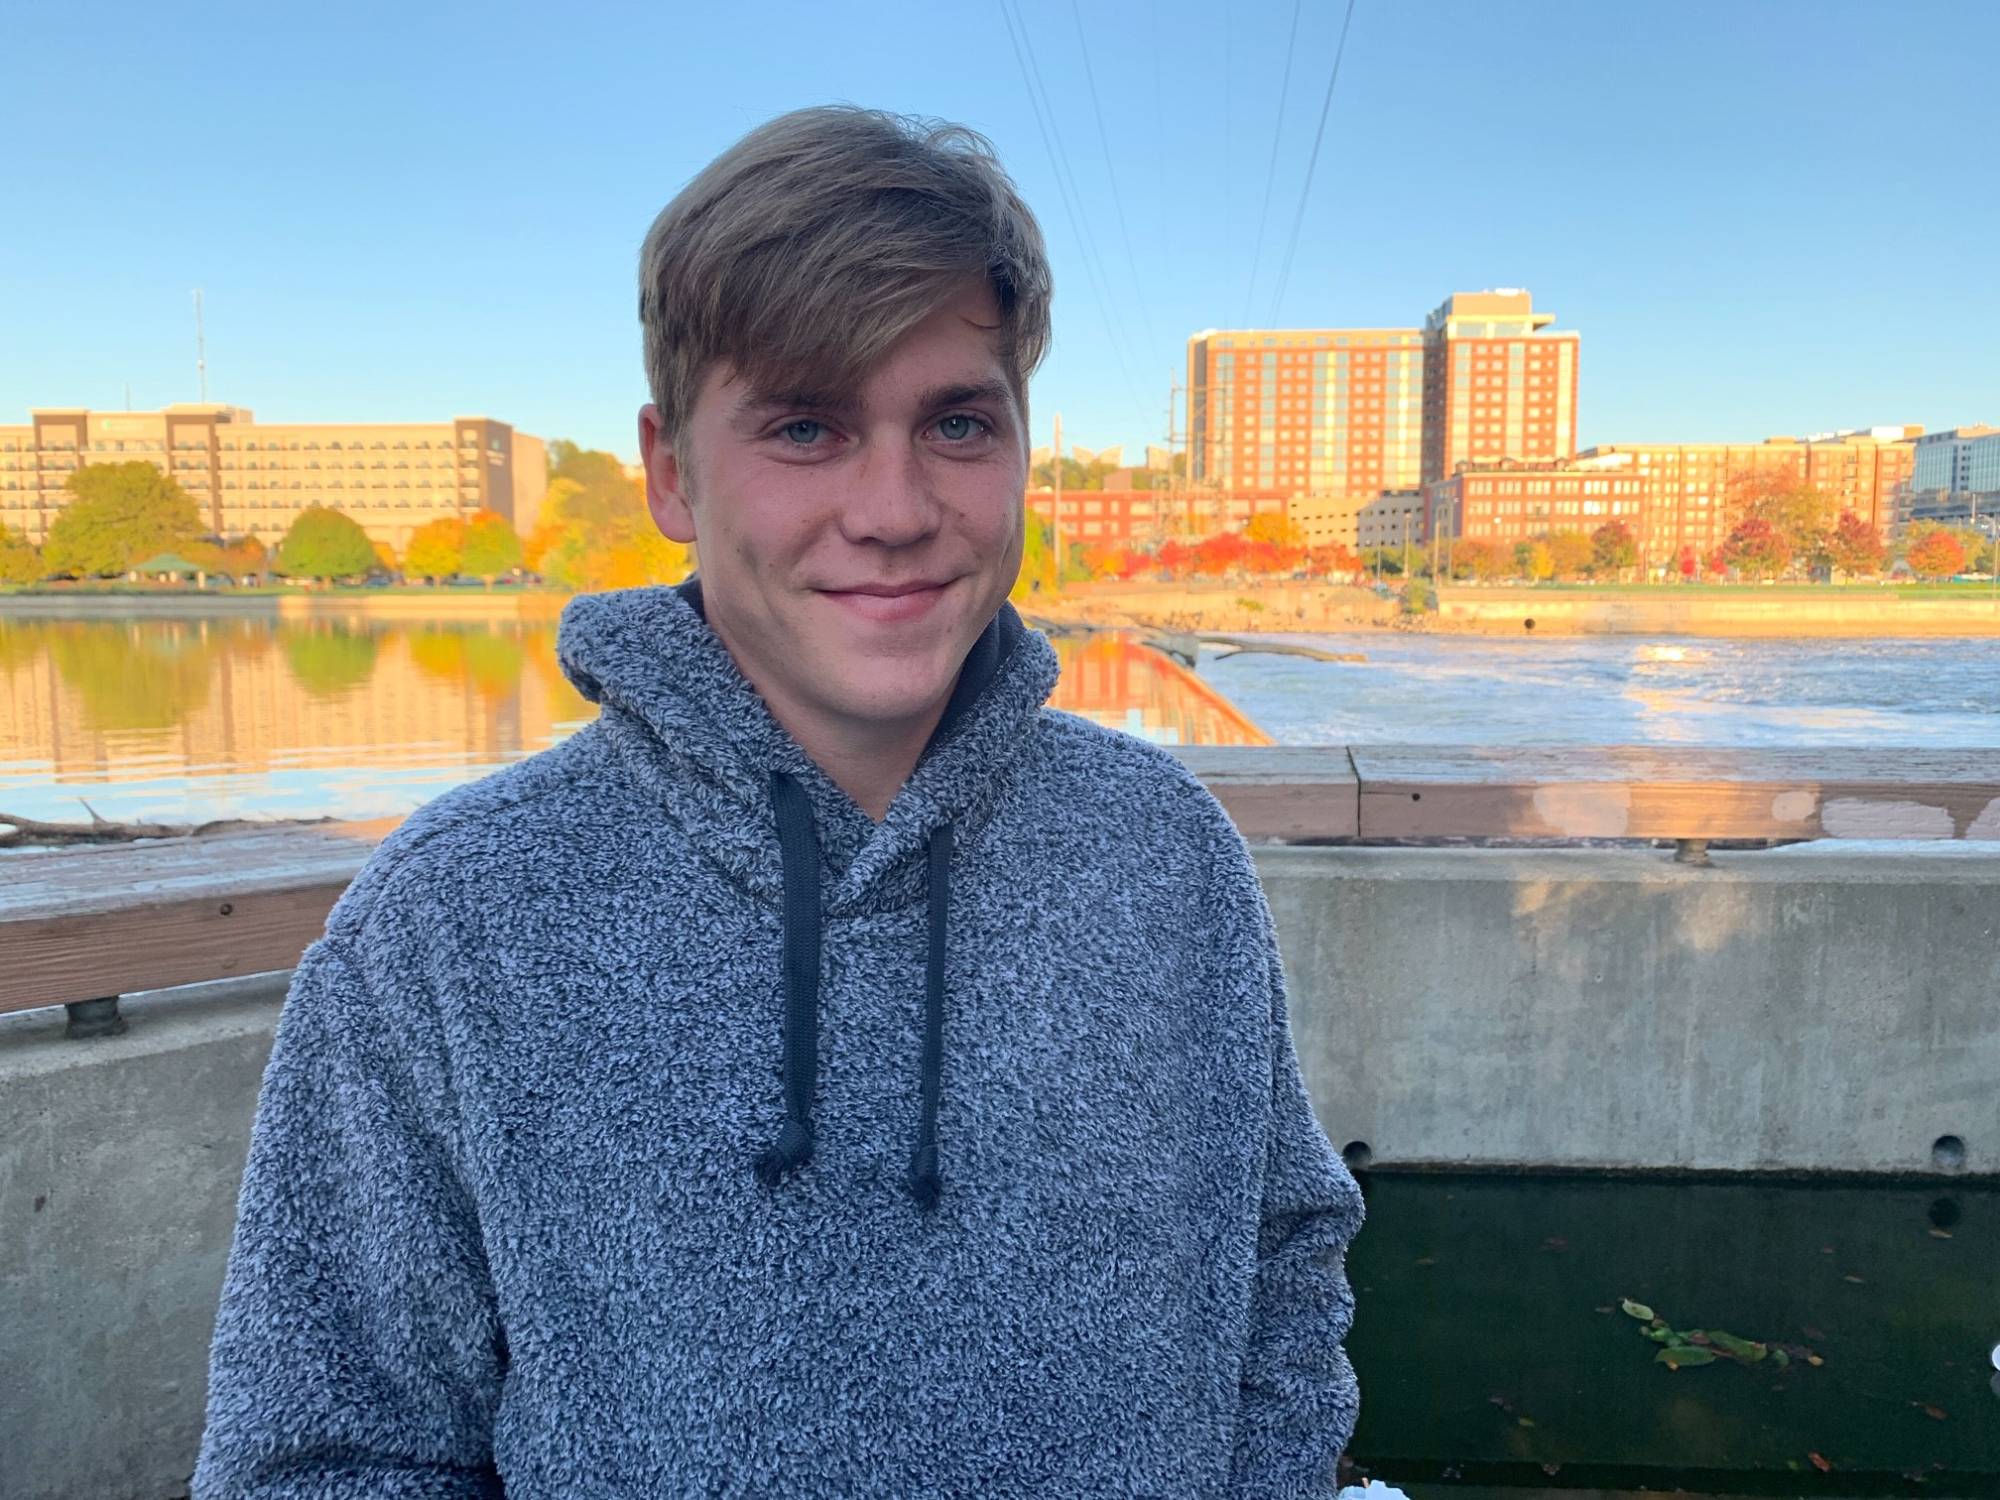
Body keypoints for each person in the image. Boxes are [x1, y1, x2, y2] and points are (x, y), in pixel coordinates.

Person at [193, 104, 1365, 1498]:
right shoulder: (454, 921)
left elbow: (1281, 1272)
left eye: (957, 422)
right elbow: (324, 1452)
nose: (893, 505)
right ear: (670, 470)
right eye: (806, 426)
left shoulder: (1167, 857)